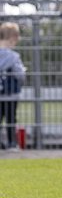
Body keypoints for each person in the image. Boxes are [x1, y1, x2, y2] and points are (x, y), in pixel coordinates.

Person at [0, 22, 26, 151]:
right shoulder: (14, 57)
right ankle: (11, 143)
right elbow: (20, 74)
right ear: (13, 38)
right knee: (11, 119)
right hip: (11, 94)